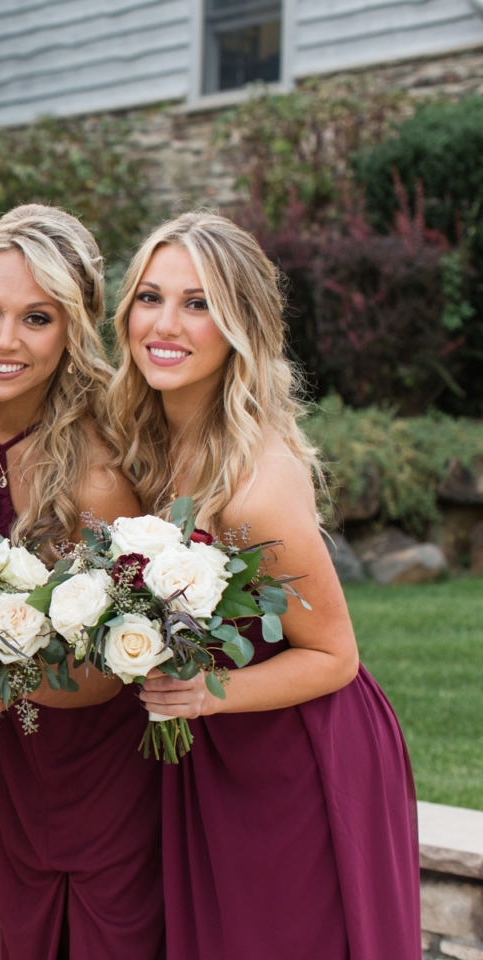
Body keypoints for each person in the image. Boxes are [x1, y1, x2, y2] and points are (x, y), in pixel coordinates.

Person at [110, 212, 420, 960]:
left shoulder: (254, 488)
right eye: (150, 297)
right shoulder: (153, 441)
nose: (166, 323)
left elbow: (336, 656)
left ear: (240, 325)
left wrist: (202, 694)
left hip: (298, 753)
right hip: (219, 748)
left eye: (199, 303)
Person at [0, 206, 161, 959]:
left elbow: (110, 672)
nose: (3, 340)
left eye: (35, 319)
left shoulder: (95, 475)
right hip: (12, 759)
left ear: (73, 329)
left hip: (99, 762)